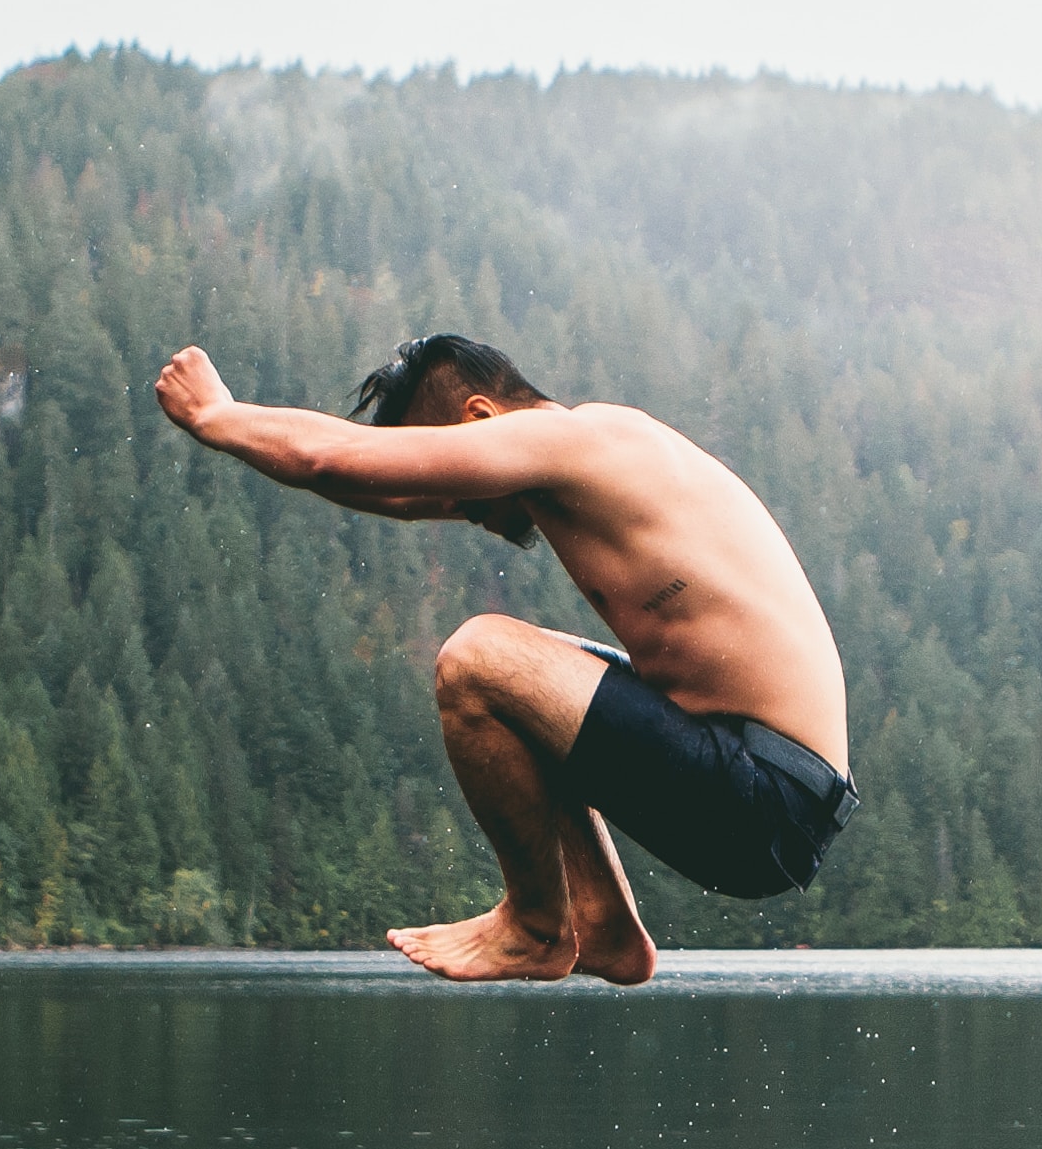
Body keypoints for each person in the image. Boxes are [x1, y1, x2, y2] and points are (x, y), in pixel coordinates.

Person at [155, 332, 855, 983]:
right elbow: (387, 491)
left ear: (479, 417)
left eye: (460, 490)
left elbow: (326, 456)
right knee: (535, 678)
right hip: (771, 787)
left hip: (767, 793)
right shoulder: (590, 454)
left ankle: (535, 924)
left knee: (478, 659)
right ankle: (602, 923)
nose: (469, 515)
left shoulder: (566, 440)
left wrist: (218, 416)